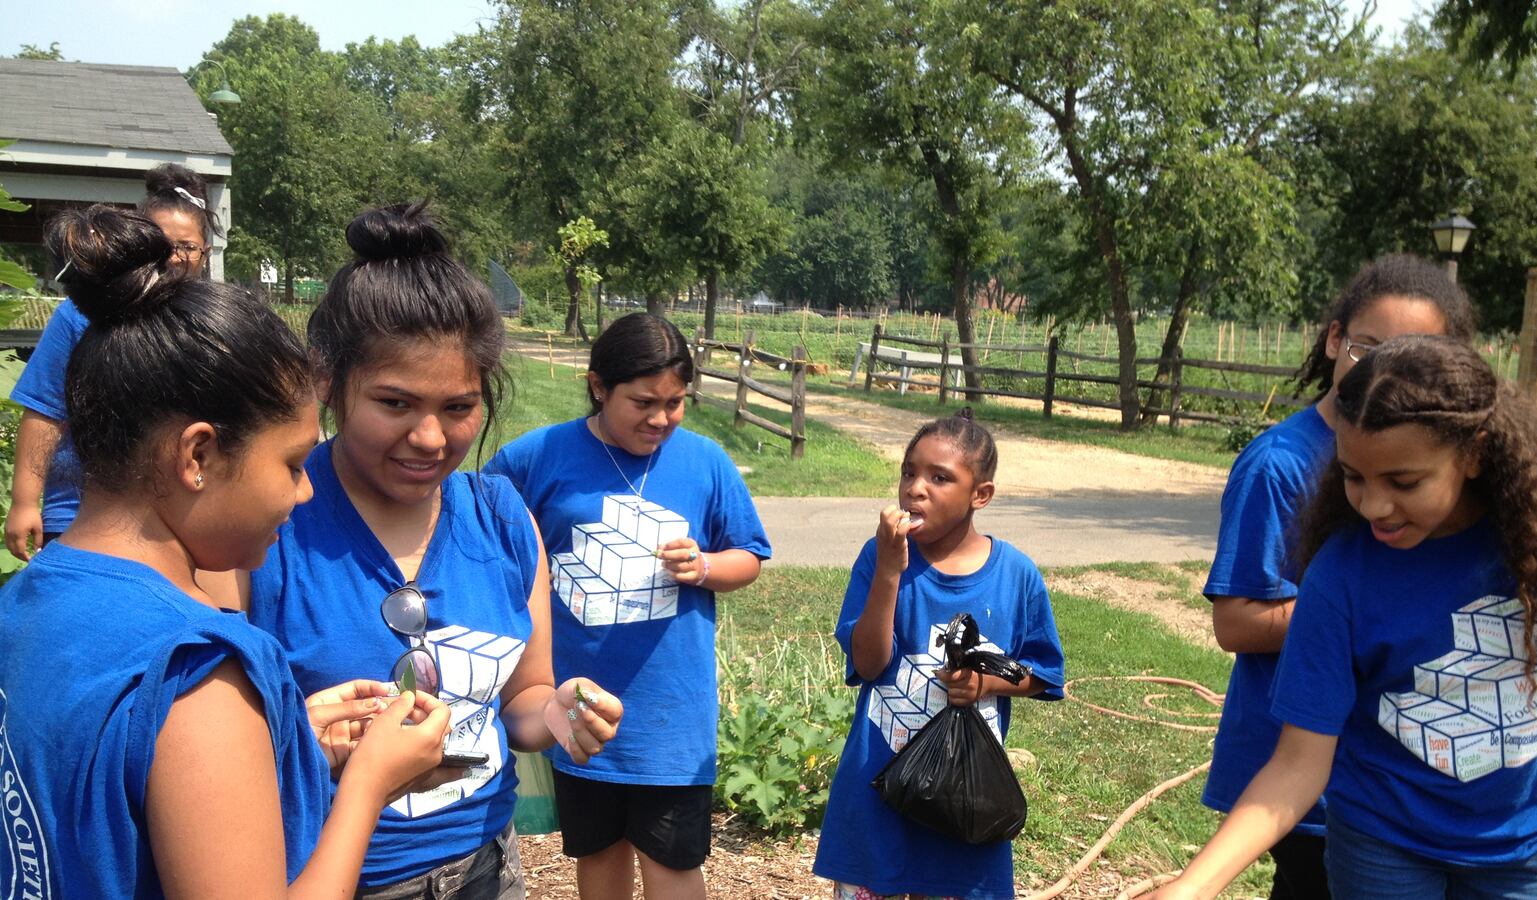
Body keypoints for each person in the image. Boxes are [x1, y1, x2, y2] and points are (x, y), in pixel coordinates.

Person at [0, 205, 452, 897]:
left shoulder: (28, 599)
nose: (305, 492)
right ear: (199, 456)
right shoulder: (198, 675)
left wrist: (282, 746)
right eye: (293, 464)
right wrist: (367, 784)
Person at [199, 203, 623, 898]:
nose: (430, 439)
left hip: (488, 868)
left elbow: (524, 696)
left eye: (458, 408)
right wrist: (308, 743)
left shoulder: (505, 520)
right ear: (327, 381)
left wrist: (557, 711)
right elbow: (212, 749)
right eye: (395, 404)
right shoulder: (266, 529)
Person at [1148, 335, 1537, 899]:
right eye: (1353, 476)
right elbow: (1296, 765)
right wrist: (1191, 886)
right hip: (1384, 844)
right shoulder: (1340, 577)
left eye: (1403, 482)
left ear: (1474, 453)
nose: (1373, 506)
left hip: (1522, 847)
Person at [1201, 255, 1475, 898]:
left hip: (1399, 767)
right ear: (1334, 340)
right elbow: (1235, 623)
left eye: (1414, 356)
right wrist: (1358, 609)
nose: (1377, 502)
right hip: (1306, 773)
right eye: (1370, 349)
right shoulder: (1279, 464)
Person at [486, 312, 770, 900]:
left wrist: (705, 567)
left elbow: (749, 555)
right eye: (643, 402)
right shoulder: (538, 456)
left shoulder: (705, 462)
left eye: (675, 403)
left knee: (672, 863)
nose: (661, 419)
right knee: (597, 854)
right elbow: (487, 534)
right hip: (579, 710)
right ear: (598, 386)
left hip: (671, 720)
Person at [812, 409, 1066, 900]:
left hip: (964, 804)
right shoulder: (880, 557)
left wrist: (986, 683)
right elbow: (869, 663)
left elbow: (1044, 674)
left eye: (939, 478)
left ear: (980, 495)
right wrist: (890, 571)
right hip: (877, 800)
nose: (915, 489)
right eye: (909, 473)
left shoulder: (1015, 576)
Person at [6, 162, 219, 559]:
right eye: (160, 244)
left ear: (204, 254)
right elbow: (45, 409)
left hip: (172, 518)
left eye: (187, 247)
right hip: (76, 514)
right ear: (136, 243)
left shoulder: (206, 325)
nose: (173, 257)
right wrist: (24, 501)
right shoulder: (80, 315)